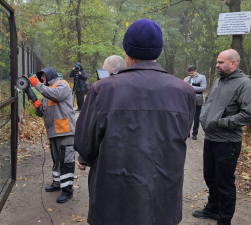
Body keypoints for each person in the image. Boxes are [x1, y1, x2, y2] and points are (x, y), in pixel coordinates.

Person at [74, 19, 196, 225]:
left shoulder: (103, 89)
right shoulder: (185, 91)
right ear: (158, 51)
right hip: (163, 193)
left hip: (114, 195)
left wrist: (84, 158)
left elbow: (86, 141)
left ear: (127, 52)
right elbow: (182, 133)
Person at [193, 49, 251, 225]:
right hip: (211, 138)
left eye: (221, 62)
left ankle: (225, 220)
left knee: (224, 183)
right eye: (217, 62)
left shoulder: (244, 84)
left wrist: (224, 122)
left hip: (227, 142)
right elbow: (209, 103)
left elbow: (248, 113)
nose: (217, 65)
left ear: (233, 63)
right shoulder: (219, 81)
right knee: (210, 177)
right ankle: (213, 209)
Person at [29, 67, 76, 203]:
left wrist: (36, 84)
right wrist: (37, 105)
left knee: (66, 160)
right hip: (53, 132)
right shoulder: (46, 91)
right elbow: (41, 113)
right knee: (56, 159)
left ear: (50, 75)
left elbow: (55, 95)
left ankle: (67, 190)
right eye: (40, 77)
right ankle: (57, 183)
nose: (41, 79)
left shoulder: (62, 85)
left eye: (43, 76)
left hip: (65, 130)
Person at [184, 65, 207, 140]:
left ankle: (195, 133)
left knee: (196, 117)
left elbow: (203, 88)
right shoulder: (186, 78)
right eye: (189, 73)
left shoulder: (202, 77)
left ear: (196, 71)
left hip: (197, 100)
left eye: (192, 73)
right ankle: (187, 132)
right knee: (187, 116)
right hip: (188, 99)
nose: (190, 75)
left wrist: (192, 87)